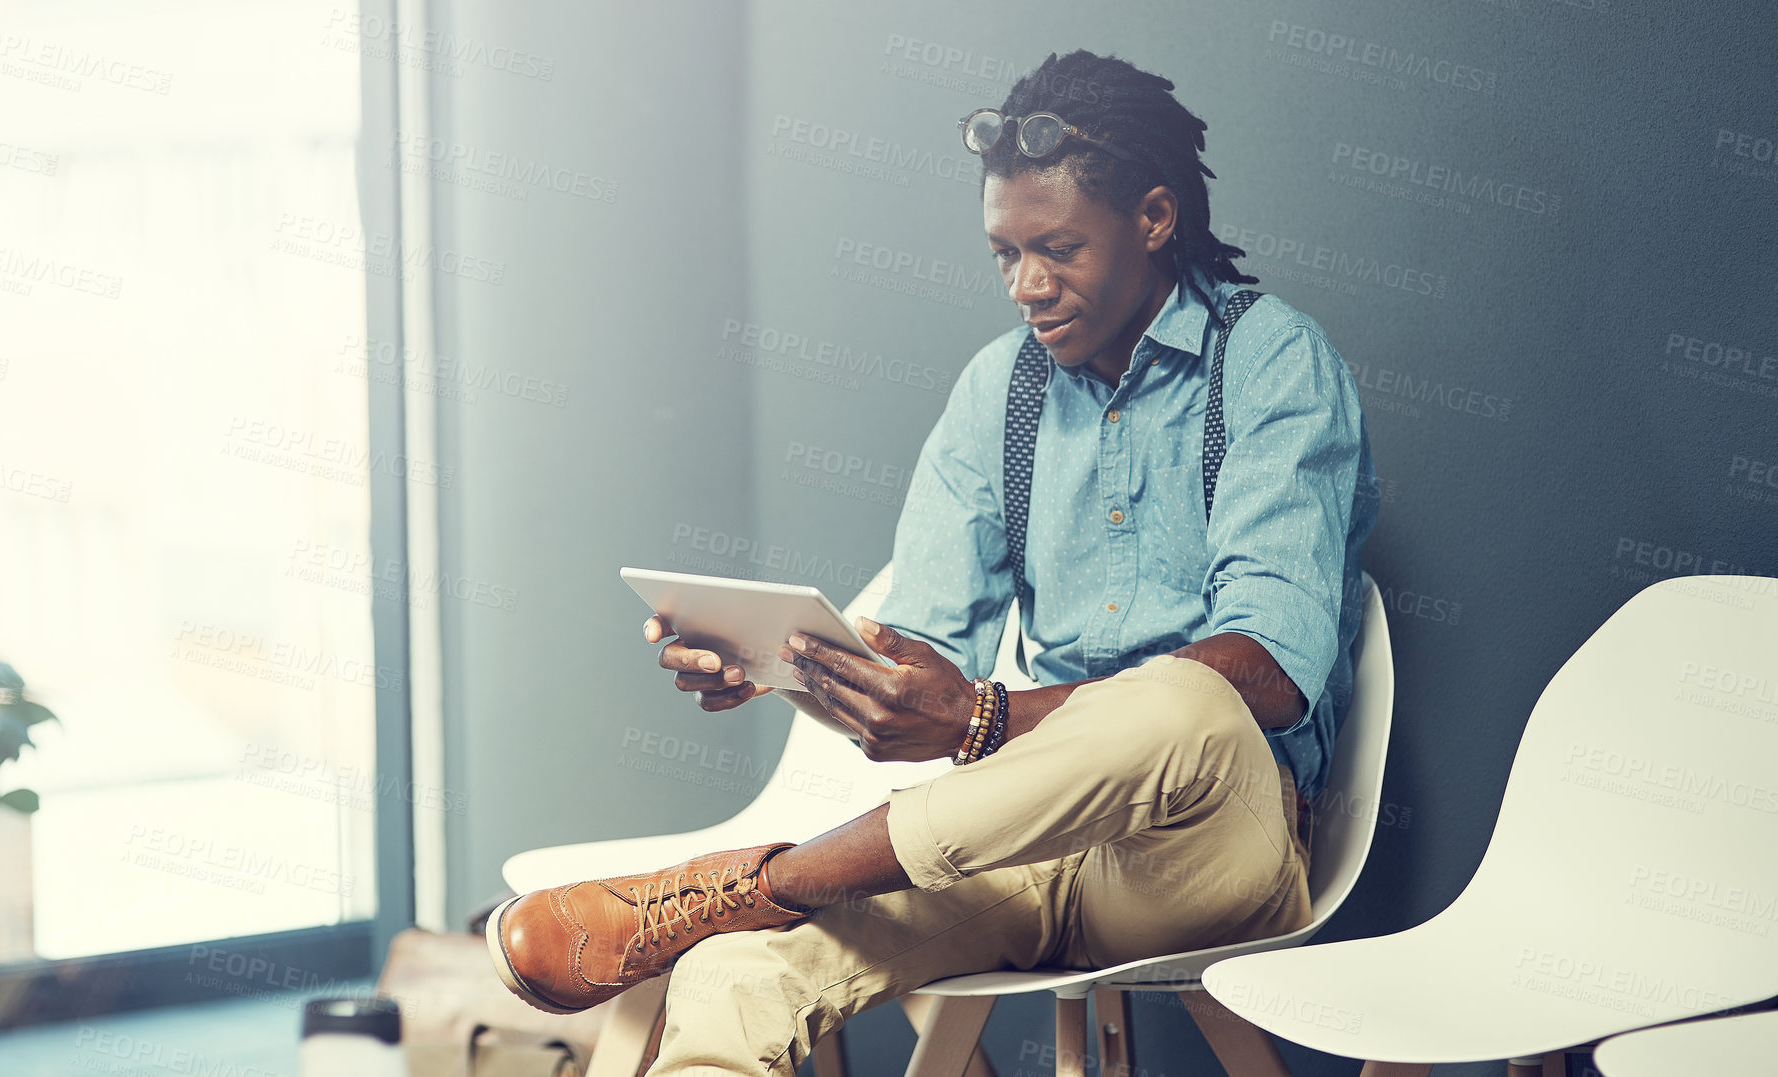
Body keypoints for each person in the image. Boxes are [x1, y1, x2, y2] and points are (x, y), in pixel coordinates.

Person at [487, 49, 1377, 1075]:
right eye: (1004, 252)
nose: (1026, 287)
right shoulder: (1000, 390)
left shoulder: (1272, 365)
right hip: (1023, 840)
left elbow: (1270, 669)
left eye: (1057, 249)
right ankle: (738, 908)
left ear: (1155, 219)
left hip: (1206, 846)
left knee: (1183, 702)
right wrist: (783, 666)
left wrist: (986, 720)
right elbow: (923, 666)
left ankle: (749, 880)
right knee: (732, 976)